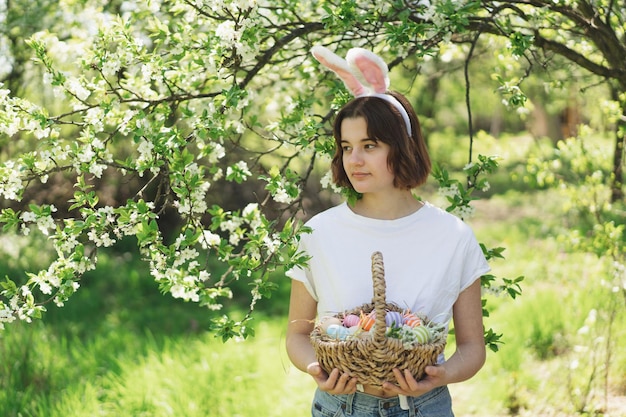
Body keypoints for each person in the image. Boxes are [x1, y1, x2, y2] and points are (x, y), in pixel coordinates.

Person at [285, 46, 491, 417]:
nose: (355, 160)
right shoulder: (318, 232)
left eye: (370, 146)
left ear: (402, 147)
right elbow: (297, 336)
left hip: (423, 407)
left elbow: (473, 348)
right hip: (340, 407)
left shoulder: (452, 235)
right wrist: (316, 368)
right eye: (346, 147)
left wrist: (440, 374)